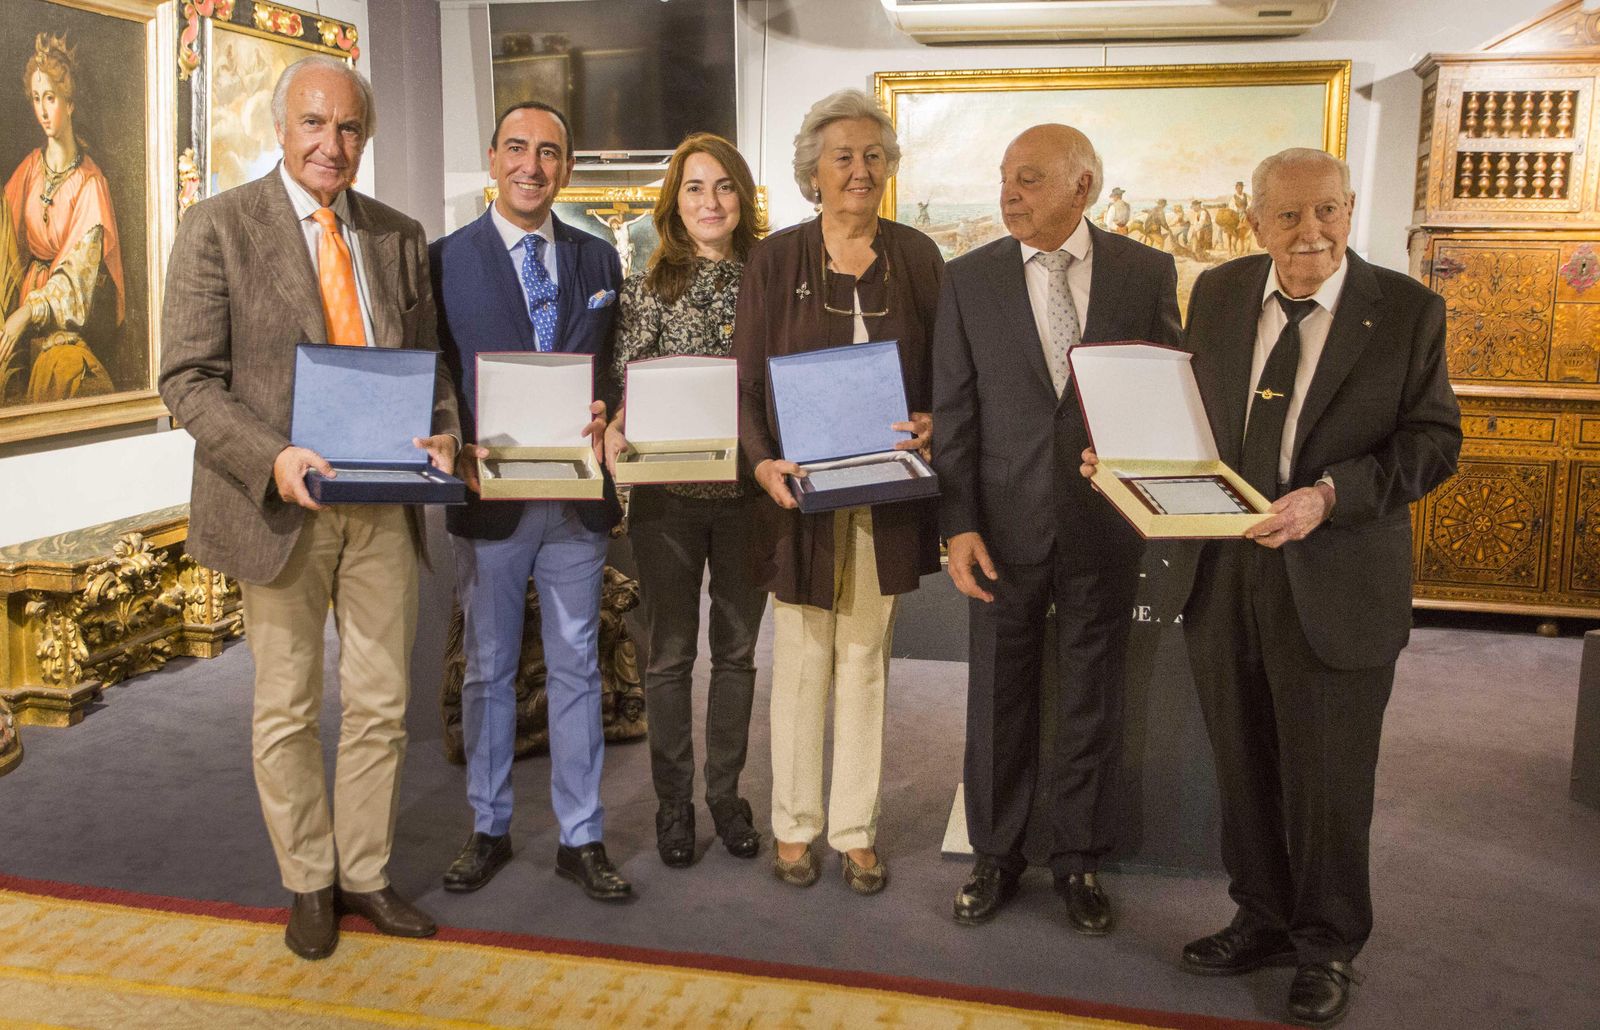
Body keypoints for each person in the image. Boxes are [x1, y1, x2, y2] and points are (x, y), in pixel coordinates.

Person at [1083, 148, 1460, 1026]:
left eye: (1326, 211)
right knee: (1244, 762)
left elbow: (1434, 441)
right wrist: (1126, 458)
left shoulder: (1405, 311)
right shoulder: (1217, 292)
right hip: (1223, 573)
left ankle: (1327, 943)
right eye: (1288, 216)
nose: (1310, 233)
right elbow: (1193, 421)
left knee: (1328, 778)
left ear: (1351, 207)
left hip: (1337, 582)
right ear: (1254, 220)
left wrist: (1330, 497)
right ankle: (1260, 917)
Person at [159, 55, 460, 961]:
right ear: (281, 130)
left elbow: (428, 363)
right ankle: (308, 880)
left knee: (380, 699)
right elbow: (187, 380)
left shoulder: (399, 234)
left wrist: (441, 430)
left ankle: (364, 872)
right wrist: (275, 455)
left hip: (381, 505)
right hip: (277, 504)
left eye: (350, 129)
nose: (334, 145)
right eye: (317, 125)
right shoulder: (218, 228)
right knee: (287, 704)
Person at [931, 124, 1180, 935]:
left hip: (1103, 525)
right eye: (1006, 177)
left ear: (1084, 187)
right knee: (997, 696)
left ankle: (1078, 861)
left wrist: (1142, 473)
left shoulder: (1146, 272)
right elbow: (957, 413)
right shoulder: (968, 280)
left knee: (1088, 697)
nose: (1010, 193)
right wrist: (958, 524)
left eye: (1030, 179)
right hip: (999, 528)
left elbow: (1165, 393)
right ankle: (995, 856)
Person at [733, 88, 944, 894]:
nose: (860, 170)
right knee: (801, 660)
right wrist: (760, 463)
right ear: (813, 173)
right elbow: (746, 382)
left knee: (864, 661)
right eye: (843, 157)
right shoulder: (774, 259)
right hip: (797, 498)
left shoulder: (919, 256)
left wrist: (933, 421)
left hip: (887, 496)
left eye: (874, 156)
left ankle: (854, 827)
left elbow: (945, 378)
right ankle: (794, 825)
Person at [432, 100, 630, 903]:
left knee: (580, 664)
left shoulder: (599, 261)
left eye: (550, 152)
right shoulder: (444, 259)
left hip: (578, 503)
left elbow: (613, 367)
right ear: (492, 158)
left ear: (567, 168)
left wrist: (611, 409)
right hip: (493, 500)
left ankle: (581, 836)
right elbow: (438, 375)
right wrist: (452, 440)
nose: (532, 166)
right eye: (517, 148)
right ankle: (488, 825)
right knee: (487, 667)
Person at [601, 133, 768, 869]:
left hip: (748, 498)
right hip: (666, 500)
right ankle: (674, 807)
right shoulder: (646, 285)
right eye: (696, 188)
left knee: (734, 655)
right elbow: (625, 390)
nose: (711, 201)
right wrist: (616, 435)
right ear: (675, 202)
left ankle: (726, 796)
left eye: (724, 186)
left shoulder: (769, 280)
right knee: (669, 658)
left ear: (743, 197)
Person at [2, 32, 125, 406]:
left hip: (58, 326)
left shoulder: (91, 184)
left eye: (51, 98)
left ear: (70, 103)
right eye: (37, 99)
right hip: (13, 318)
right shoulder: (27, 170)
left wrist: (28, 312)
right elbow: (5, 242)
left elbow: (75, 279)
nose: (42, 110)